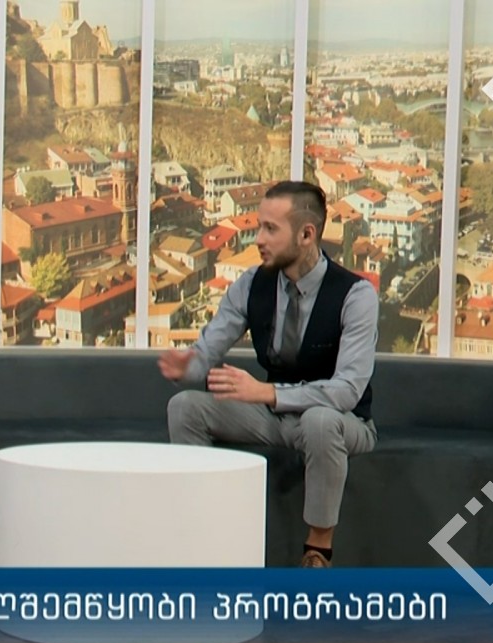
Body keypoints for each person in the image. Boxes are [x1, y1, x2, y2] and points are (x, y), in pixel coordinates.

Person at [159, 180, 377, 569]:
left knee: (320, 420)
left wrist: (268, 393)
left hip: (343, 421)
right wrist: (187, 365)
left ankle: (318, 550)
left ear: (306, 235)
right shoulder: (251, 284)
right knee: (184, 407)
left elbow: (346, 391)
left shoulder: (355, 295)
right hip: (274, 419)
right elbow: (208, 350)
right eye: (259, 226)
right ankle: (203, 530)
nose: (258, 239)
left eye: (270, 229)